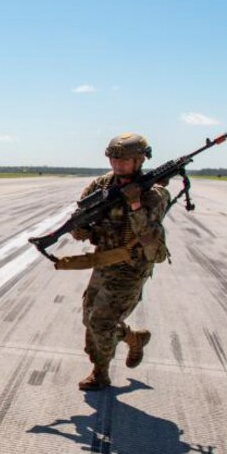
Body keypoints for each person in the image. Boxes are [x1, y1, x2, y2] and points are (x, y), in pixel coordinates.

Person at [71, 132, 171, 390]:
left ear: (139, 161)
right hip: (104, 262)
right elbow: (80, 212)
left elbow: (149, 237)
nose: (117, 166)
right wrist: (80, 227)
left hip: (131, 267)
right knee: (89, 319)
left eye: (124, 161)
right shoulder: (103, 185)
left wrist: (135, 203)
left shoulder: (154, 194)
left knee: (100, 323)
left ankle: (100, 373)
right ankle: (132, 338)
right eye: (114, 160)